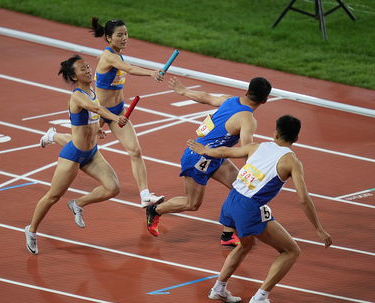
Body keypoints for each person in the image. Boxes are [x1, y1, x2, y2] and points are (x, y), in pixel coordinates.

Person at [187, 115, 332, 303]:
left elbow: (227, 151)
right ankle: (260, 297)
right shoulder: (292, 162)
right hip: (249, 207)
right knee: (291, 251)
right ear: (296, 138)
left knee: (245, 245)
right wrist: (318, 228)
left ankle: (219, 289)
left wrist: (206, 151)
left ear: (275, 133)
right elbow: (303, 199)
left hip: (231, 200)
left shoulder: (258, 146)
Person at [41, 17, 165, 208]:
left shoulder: (118, 54)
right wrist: (151, 73)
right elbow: (129, 69)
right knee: (80, 144)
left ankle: (145, 195)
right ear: (108, 38)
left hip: (117, 111)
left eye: (126, 34)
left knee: (135, 150)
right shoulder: (109, 57)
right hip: (98, 113)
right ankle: (53, 135)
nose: (125, 38)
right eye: (119, 35)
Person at [145, 76, 272, 247]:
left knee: (240, 189)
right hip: (198, 156)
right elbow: (245, 150)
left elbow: (205, 97)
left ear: (248, 90)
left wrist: (184, 91)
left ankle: (227, 234)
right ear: (265, 100)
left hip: (215, 156)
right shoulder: (248, 120)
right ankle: (155, 209)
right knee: (192, 204)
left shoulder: (230, 100)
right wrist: (257, 168)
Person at [25, 55, 128, 255]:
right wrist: (116, 118)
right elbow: (96, 108)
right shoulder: (78, 95)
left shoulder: (91, 91)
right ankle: (31, 229)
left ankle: (78, 203)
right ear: (74, 76)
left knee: (113, 188)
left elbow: (93, 116)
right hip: (73, 155)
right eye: (83, 69)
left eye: (88, 67)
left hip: (92, 152)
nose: (89, 70)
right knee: (53, 196)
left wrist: (97, 129)